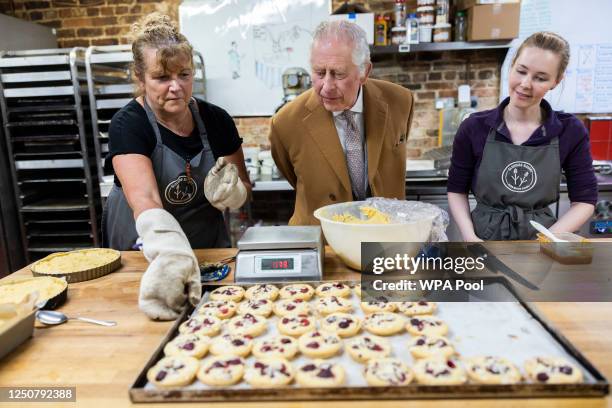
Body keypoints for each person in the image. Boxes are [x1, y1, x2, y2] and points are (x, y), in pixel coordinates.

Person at [103, 13, 251, 319]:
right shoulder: (128, 125)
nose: (176, 87)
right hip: (148, 253)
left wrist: (235, 194)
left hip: (207, 252)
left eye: (184, 75)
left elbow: (245, 187)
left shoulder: (216, 120)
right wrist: (170, 255)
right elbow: (146, 200)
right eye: (161, 78)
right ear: (139, 77)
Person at [447, 32, 596, 241]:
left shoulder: (570, 130)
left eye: (540, 78)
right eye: (521, 71)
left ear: (556, 81)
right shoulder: (474, 127)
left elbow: (584, 201)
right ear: (512, 65)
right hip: (482, 241)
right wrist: (471, 238)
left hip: (542, 244)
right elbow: (456, 190)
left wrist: (546, 240)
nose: (526, 84)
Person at [269, 20, 414, 226]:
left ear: (364, 72)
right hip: (321, 239)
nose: (326, 87)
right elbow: (292, 175)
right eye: (319, 73)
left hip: (384, 235)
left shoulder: (401, 101)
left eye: (338, 74)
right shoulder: (285, 122)